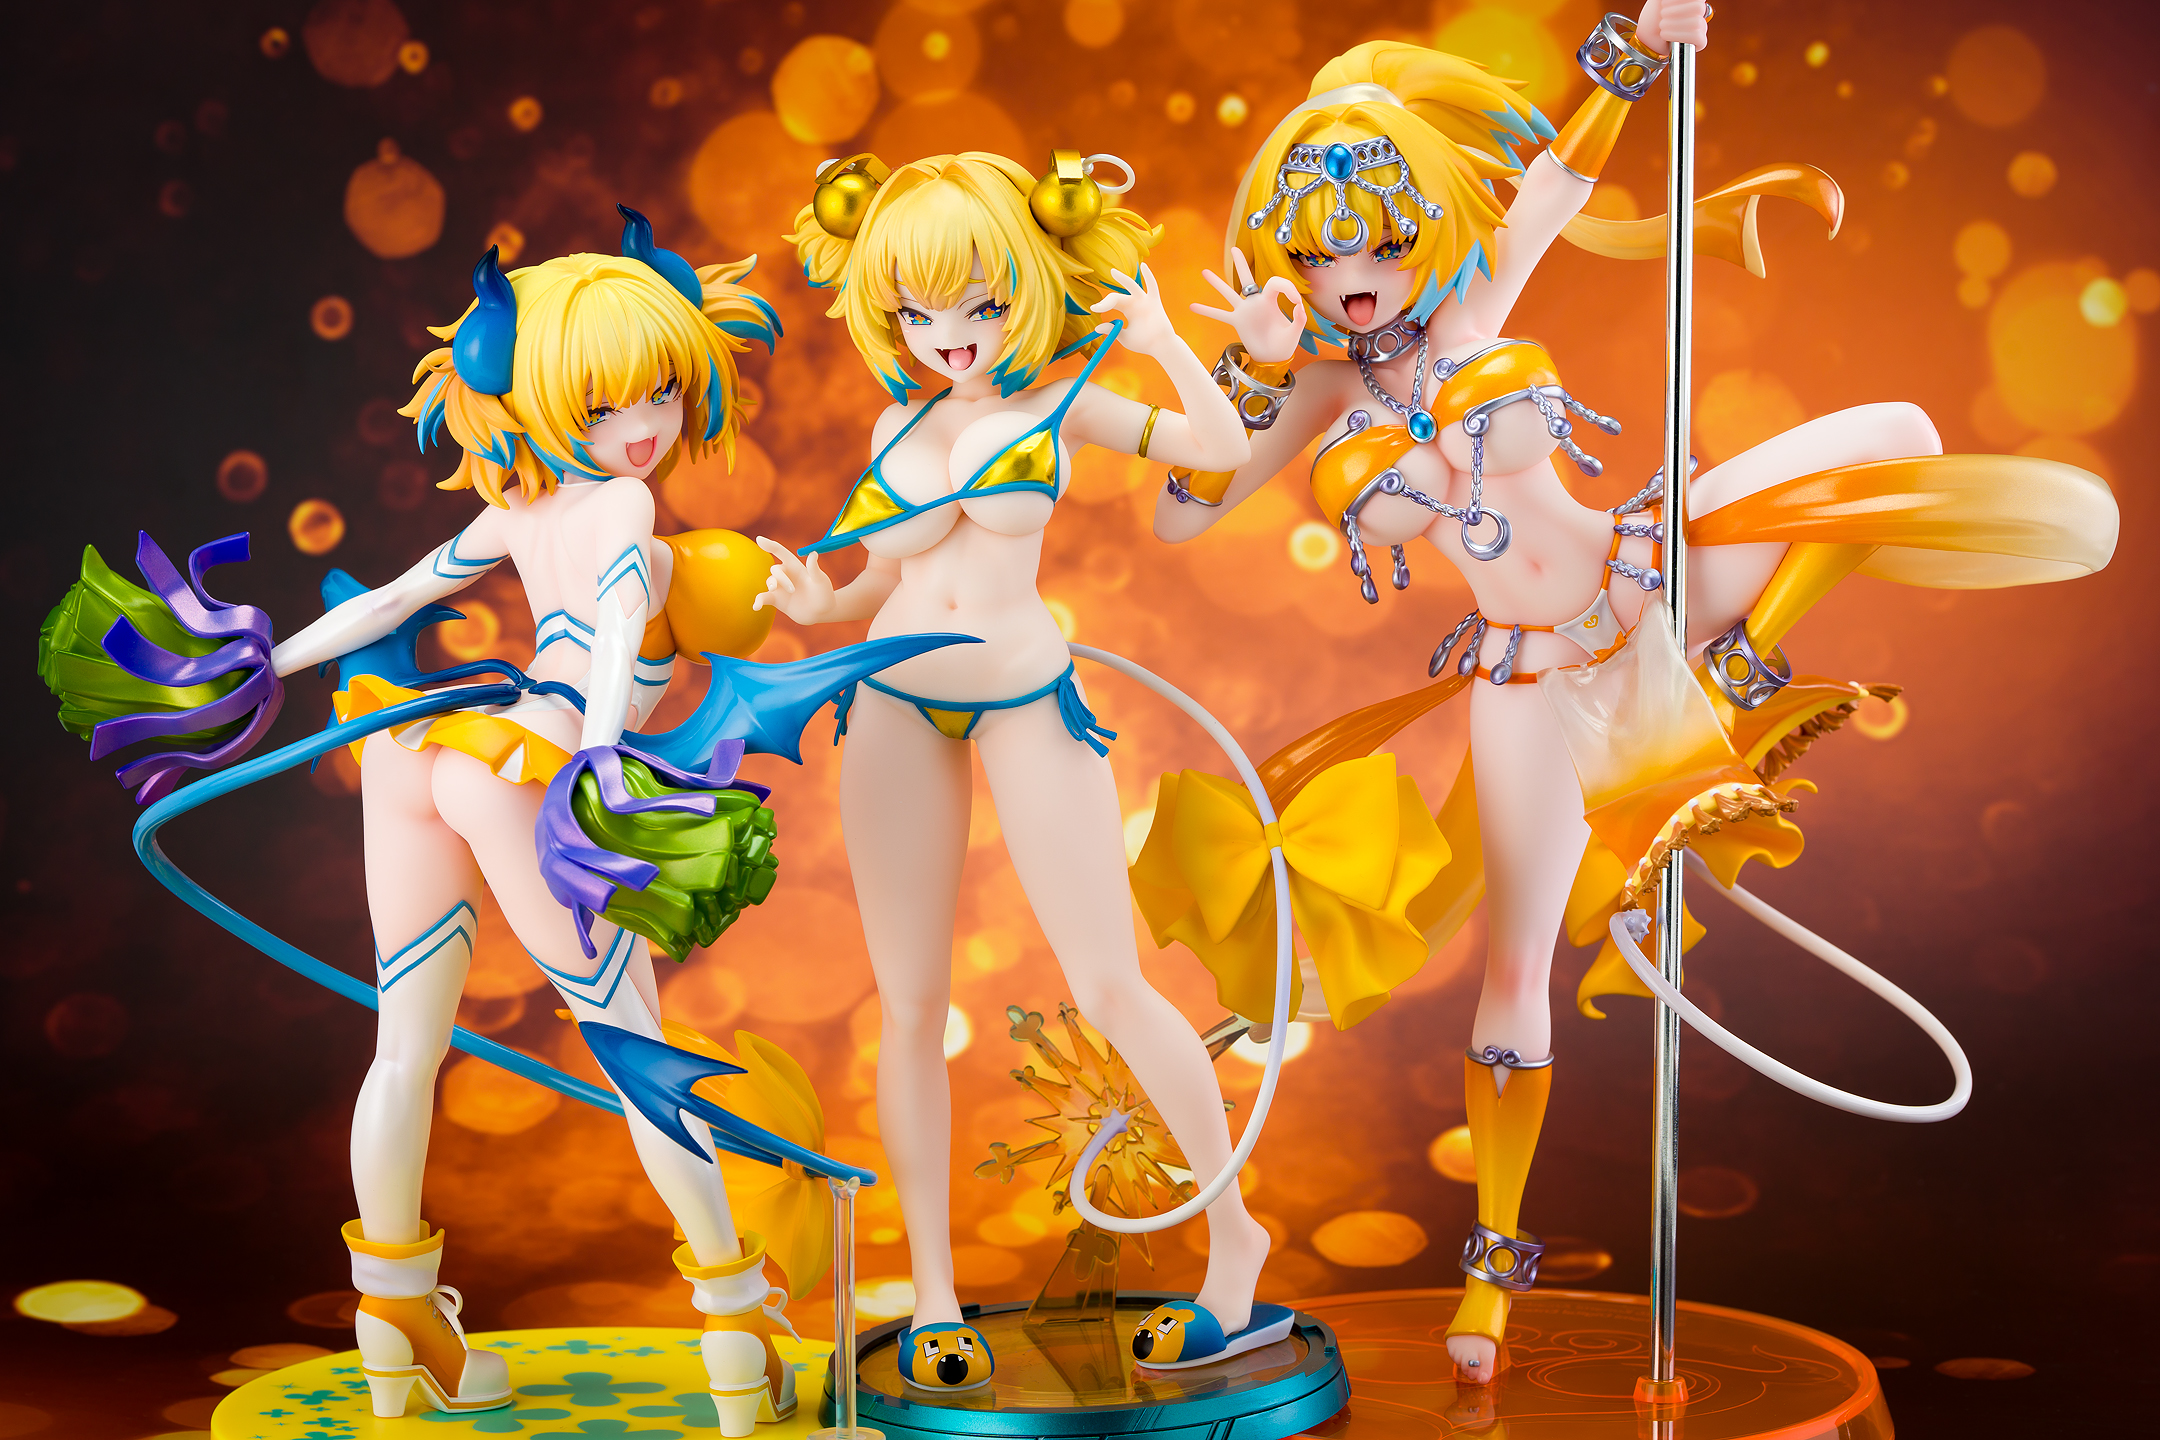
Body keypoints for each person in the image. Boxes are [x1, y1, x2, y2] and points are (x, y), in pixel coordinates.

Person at [1138, 3, 2116, 1383]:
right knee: (1513, 974)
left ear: (1424, 224)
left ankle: (1742, 663)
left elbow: (1555, 181)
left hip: (1645, 579)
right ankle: (1492, 1277)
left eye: (1378, 241)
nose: (1351, 277)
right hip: (1527, 678)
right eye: (1317, 254)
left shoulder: (1475, 303)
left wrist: (1638, 42)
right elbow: (1182, 514)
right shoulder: (1305, 390)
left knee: (1890, 433)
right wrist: (1242, 362)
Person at [752, 149, 1288, 1381]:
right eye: (918, 311)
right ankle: (935, 1296)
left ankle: (1234, 1242)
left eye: (982, 304)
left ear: (1027, 292)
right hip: (891, 701)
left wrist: (1166, 341)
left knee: (1111, 984)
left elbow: (1214, 446)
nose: (950, 335)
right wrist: (817, 606)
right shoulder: (896, 423)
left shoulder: (1063, 401)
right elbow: (881, 578)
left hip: (1026, 699)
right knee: (907, 1008)